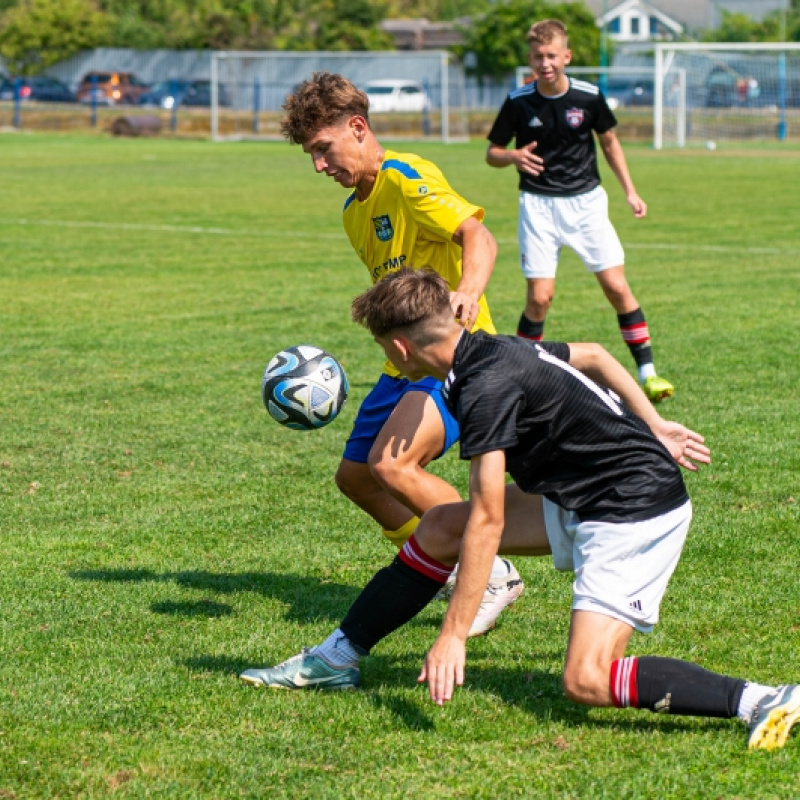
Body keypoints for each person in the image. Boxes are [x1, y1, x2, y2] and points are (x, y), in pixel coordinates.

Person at [240, 268, 800, 753]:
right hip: (589, 491)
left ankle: (761, 698)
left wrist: (453, 633)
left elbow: (489, 519)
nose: (386, 358)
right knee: (440, 525)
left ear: (402, 348)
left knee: (586, 679)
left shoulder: (483, 390)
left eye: (384, 347)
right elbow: (599, 356)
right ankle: (337, 657)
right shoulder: (491, 348)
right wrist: (654, 426)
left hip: (631, 509)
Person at [279, 71, 523, 636]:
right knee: (357, 478)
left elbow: (478, 236)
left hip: (454, 354)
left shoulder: (407, 179)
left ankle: (490, 570)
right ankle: (436, 559)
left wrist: (468, 294)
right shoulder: (353, 212)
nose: (319, 166)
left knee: (394, 465)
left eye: (323, 149)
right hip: (404, 363)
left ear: (358, 128)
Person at [485, 19, 674, 404]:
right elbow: (491, 153)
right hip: (537, 205)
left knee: (618, 287)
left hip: (587, 203)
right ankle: (521, 374)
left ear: (566, 56)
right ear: (530, 59)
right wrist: (512, 156)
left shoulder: (588, 97)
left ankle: (649, 373)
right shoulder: (519, 101)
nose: (545, 63)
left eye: (552, 55)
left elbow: (610, 144)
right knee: (540, 297)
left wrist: (631, 192)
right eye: (538, 56)